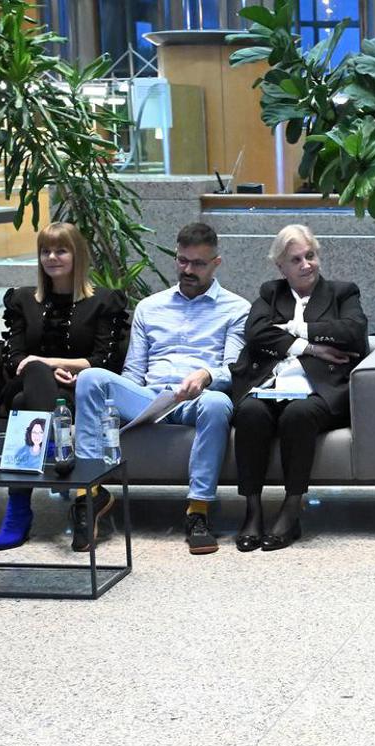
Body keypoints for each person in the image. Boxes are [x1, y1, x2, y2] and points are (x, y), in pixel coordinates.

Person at [72, 222, 249, 554]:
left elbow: (234, 370)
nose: (188, 270)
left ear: (216, 263)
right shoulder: (149, 307)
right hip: (150, 396)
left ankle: (198, 511)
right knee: (90, 378)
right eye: (182, 261)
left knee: (218, 404)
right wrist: (118, 402)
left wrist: (205, 375)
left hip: (198, 397)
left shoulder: (236, 309)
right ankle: (89, 495)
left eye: (198, 263)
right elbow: (133, 371)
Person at [0, 222, 130, 550]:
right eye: (45, 251)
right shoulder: (23, 299)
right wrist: (47, 369)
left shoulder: (103, 301)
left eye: (61, 250)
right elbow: (15, 359)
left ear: (77, 254)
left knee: (26, 400)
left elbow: (105, 361)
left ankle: (18, 510)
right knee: (32, 378)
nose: (51, 257)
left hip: (77, 391)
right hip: (25, 383)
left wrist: (54, 365)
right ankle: (64, 458)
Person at [229, 224, 369, 551]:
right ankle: (253, 510)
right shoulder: (270, 293)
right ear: (281, 267)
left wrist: (297, 327)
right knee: (249, 412)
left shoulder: (342, 293)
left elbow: (353, 333)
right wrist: (310, 347)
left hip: (318, 390)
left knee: (298, 414)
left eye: (311, 256)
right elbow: (256, 333)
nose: (306, 265)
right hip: (270, 385)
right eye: (296, 260)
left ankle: (291, 510)